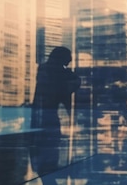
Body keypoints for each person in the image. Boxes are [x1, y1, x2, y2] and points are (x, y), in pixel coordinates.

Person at [30, 46, 81, 179]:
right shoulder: (53, 72)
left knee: (46, 160)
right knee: (49, 157)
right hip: (48, 119)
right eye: (68, 58)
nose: (70, 61)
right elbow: (68, 88)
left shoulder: (44, 69)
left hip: (41, 119)